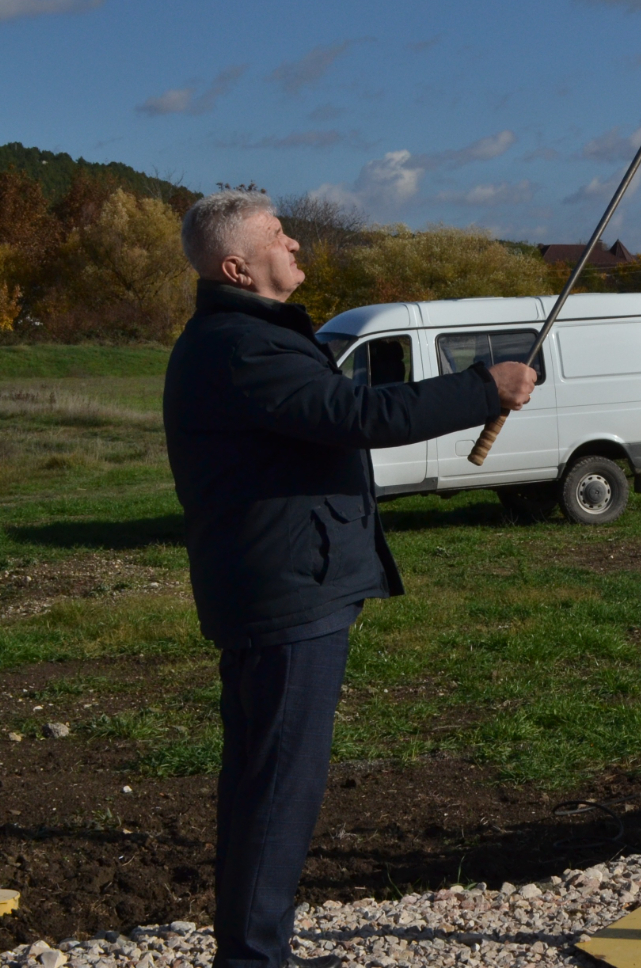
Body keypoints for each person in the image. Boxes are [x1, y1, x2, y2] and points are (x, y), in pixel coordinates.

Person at [162, 189, 537, 968]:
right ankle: (252, 961)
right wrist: (483, 388)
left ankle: (256, 952)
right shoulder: (241, 346)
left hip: (285, 584)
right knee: (277, 788)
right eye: (277, 235)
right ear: (236, 268)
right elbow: (358, 415)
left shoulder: (242, 336)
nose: (294, 243)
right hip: (285, 595)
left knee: (265, 783)